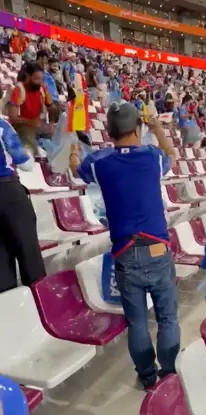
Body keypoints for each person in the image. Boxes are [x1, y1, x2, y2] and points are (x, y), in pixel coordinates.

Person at [68, 102, 180, 390]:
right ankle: (169, 374)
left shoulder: (99, 163)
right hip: (157, 247)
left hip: (125, 253)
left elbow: (77, 169)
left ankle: (146, 377)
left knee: (138, 322)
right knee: (167, 318)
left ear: (109, 132)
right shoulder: (152, 156)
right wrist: (158, 128)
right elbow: (171, 155)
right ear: (137, 129)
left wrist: (72, 154)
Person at [0, 118, 45, 293]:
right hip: (8, 190)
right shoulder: (2, 126)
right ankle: (40, 302)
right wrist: (31, 152)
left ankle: (8, 306)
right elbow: (25, 163)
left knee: (1, 258)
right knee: (28, 251)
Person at [6, 62, 56, 154]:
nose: (40, 82)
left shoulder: (42, 88)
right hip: (22, 126)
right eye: (36, 79)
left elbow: (52, 107)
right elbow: (13, 118)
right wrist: (30, 122)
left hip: (37, 125)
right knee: (30, 149)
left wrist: (52, 123)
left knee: (61, 134)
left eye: (41, 79)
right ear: (28, 77)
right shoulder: (18, 90)